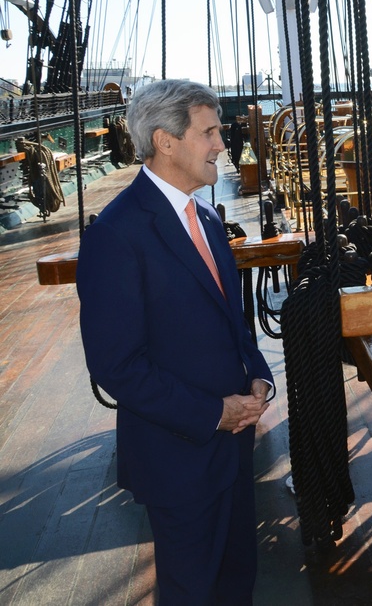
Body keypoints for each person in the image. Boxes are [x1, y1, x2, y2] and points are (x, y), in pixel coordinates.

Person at [77, 79, 274, 605]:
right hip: (179, 456)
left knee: (237, 583)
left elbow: (234, 322)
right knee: (191, 592)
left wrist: (258, 375)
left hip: (233, 447)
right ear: (165, 142)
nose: (220, 144)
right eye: (208, 132)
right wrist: (214, 412)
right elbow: (116, 365)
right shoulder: (116, 235)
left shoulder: (206, 218)